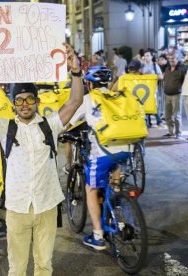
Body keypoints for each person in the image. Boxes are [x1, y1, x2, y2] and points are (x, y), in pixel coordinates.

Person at [0, 43, 83, 275]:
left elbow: (75, 102)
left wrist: (75, 71)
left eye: (29, 99)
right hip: (17, 208)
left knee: (44, 265)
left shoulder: (50, 124)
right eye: (19, 100)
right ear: (13, 104)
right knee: (16, 267)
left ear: (37, 101)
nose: (24, 104)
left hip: (47, 205)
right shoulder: (5, 127)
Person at [69, 67, 131, 250]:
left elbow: (71, 120)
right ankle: (119, 215)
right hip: (126, 148)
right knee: (114, 185)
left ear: (89, 83)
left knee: (90, 189)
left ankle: (97, 235)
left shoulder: (89, 99)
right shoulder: (117, 96)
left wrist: (61, 133)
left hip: (103, 152)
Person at [163, 53, 186, 139]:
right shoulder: (167, 69)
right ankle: (171, 132)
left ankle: (178, 133)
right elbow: (165, 79)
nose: (172, 60)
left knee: (177, 115)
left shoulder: (181, 69)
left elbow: (184, 82)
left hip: (177, 95)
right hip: (167, 94)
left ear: (177, 59)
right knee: (167, 115)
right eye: (170, 59)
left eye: (174, 58)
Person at [141, 49, 164, 128]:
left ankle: (159, 121)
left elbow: (161, 76)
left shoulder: (155, 65)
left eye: (148, 55)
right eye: (145, 56)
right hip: (143, 90)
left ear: (151, 56)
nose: (146, 57)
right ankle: (148, 122)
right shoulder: (142, 66)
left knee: (154, 105)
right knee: (145, 105)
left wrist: (152, 76)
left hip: (153, 90)